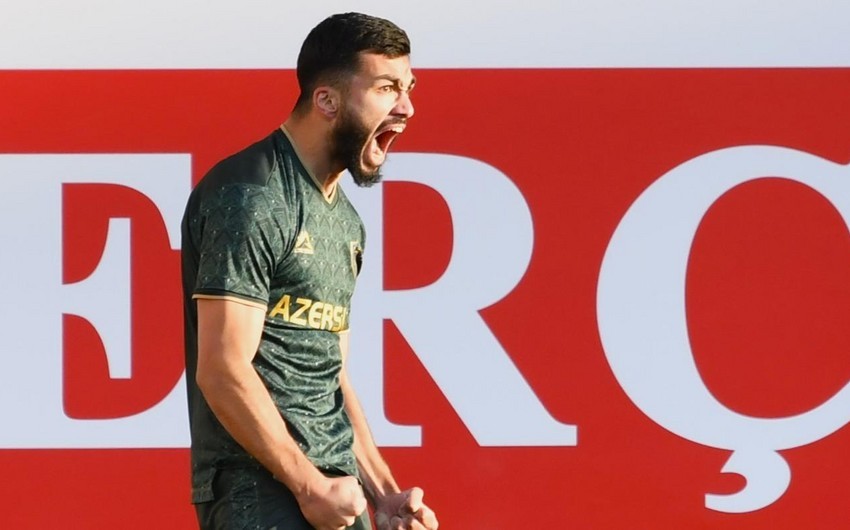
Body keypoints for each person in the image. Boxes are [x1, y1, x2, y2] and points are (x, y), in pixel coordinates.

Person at [181, 12, 438, 530]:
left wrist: (382, 495)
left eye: (408, 88)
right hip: (258, 492)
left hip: (335, 491)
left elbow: (330, 374)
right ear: (326, 100)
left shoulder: (345, 221)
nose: (407, 107)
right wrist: (307, 485)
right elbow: (223, 368)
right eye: (387, 88)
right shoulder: (251, 195)